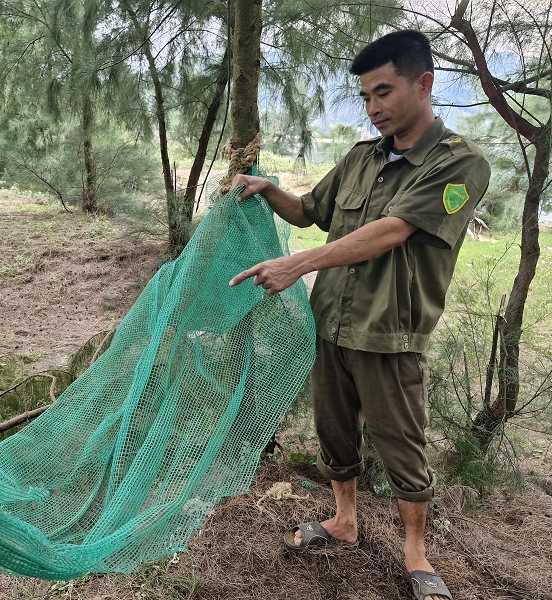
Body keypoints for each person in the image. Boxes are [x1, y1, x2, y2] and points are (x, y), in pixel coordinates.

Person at [228, 30, 490, 600]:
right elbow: (309, 213)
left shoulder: (459, 164)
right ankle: (344, 521)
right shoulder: (358, 158)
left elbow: (393, 231)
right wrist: (269, 189)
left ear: (424, 85)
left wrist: (297, 265)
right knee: (335, 431)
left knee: (402, 444)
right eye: (366, 97)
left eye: (384, 92)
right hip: (332, 323)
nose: (373, 108)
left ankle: (416, 552)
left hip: (389, 332)